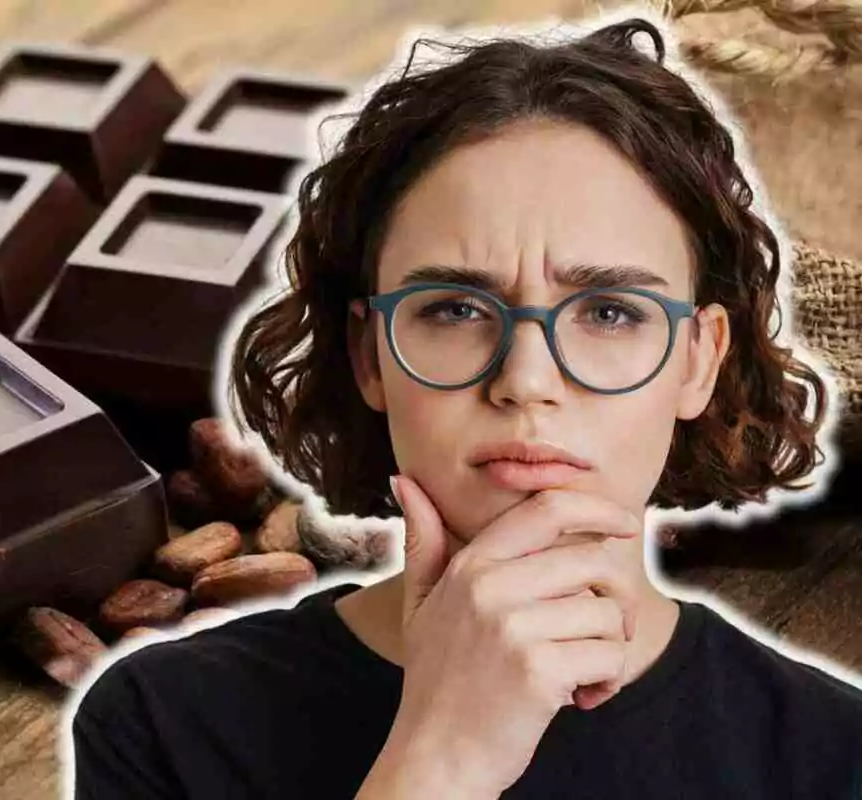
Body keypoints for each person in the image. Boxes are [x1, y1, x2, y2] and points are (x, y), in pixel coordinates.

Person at [67, 13, 862, 799]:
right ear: (369, 355)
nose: (525, 379)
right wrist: (441, 759)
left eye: (611, 312)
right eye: (454, 309)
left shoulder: (833, 754)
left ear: (698, 362)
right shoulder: (161, 725)